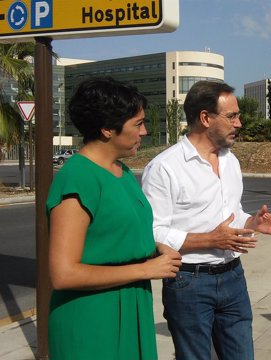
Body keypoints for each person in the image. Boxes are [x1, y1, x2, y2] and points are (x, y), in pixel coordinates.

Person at [141, 80, 271, 360]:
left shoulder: (230, 161)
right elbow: (152, 232)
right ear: (205, 118)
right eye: (232, 116)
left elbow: (232, 214)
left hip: (233, 277)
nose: (239, 123)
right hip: (188, 282)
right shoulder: (165, 168)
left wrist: (251, 224)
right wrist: (210, 240)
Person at [47, 77, 182, 360]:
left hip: (132, 304)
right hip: (92, 318)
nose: (144, 132)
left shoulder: (121, 172)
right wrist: (145, 269)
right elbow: (63, 274)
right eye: (138, 124)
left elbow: (120, 232)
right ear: (108, 129)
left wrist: (156, 248)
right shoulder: (78, 178)